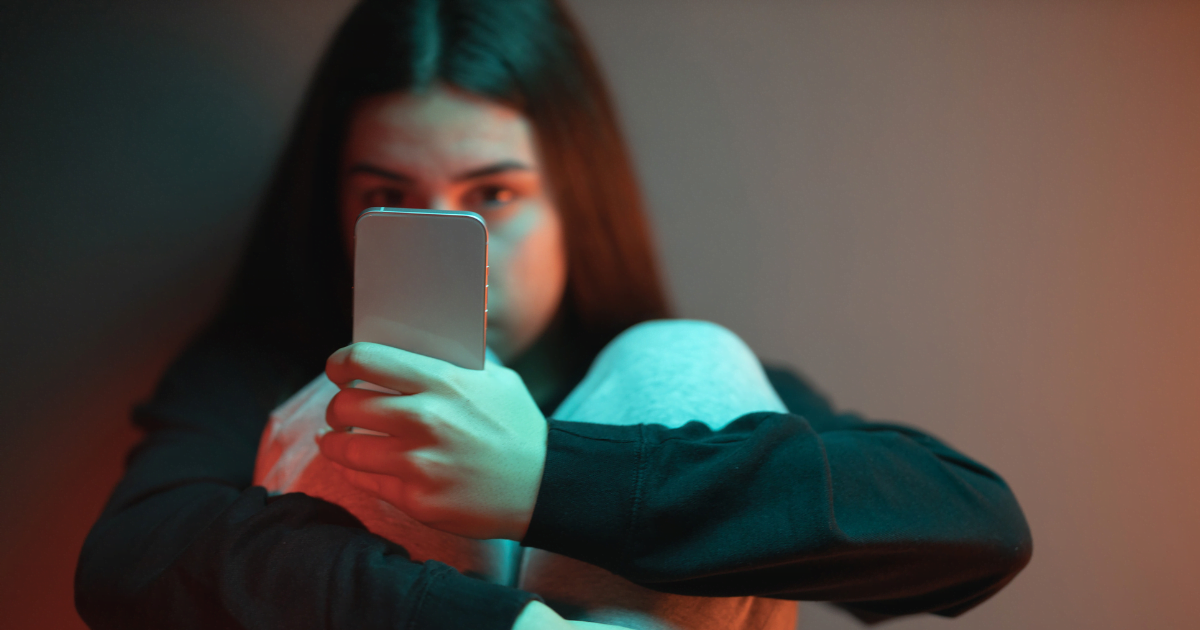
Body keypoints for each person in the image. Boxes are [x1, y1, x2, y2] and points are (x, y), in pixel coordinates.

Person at [74, 1, 1033, 629]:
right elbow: (128, 562)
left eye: (493, 195)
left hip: (633, 412)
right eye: (390, 200)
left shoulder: (663, 385)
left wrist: (543, 478)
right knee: (322, 426)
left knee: (683, 365)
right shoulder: (260, 370)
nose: (456, 240)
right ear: (333, 209)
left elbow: (975, 527)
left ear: (575, 200)